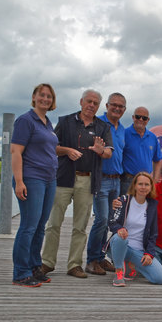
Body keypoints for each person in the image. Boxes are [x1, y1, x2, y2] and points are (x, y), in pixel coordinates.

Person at [41, 89, 113, 279]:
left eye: (95, 103)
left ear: (99, 106)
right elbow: (52, 147)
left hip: (88, 180)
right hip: (64, 178)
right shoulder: (65, 121)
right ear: (81, 102)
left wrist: (100, 151)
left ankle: (74, 265)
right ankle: (47, 263)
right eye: (88, 101)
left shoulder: (103, 127)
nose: (91, 105)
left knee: (80, 226)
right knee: (54, 223)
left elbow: (108, 153)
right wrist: (67, 150)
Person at [10, 83, 59, 287]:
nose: (45, 99)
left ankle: (34, 267)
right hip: (31, 178)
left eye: (49, 96)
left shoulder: (47, 122)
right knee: (28, 226)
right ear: (34, 97)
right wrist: (19, 181)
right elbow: (15, 152)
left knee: (40, 226)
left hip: (49, 180)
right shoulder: (25, 120)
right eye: (42, 95)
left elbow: (50, 149)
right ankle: (20, 273)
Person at [85, 92, 127, 276]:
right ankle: (92, 260)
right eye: (114, 105)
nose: (117, 108)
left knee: (110, 221)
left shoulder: (122, 129)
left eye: (121, 106)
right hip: (101, 178)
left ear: (124, 110)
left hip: (116, 180)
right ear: (107, 106)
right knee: (101, 219)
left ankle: (101, 257)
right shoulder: (98, 123)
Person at [107, 172, 162, 287]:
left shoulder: (153, 205)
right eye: (140, 184)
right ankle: (119, 272)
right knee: (121, 237)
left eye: (146, 184)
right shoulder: (124, 200)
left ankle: (130, 262)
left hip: (138, 251)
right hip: (120, 245)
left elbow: (153, 234)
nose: (143, 187)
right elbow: (112, 222)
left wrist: (149, 253)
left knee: (160, 278)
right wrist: (119, 229)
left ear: (151, 187)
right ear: (134, 185)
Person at [120, 106, 162, 195]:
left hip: (146, 182)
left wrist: (154, 181)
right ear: (133, 117)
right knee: (126, 207)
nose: (141, 120)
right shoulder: (124, 134)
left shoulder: (152, 137)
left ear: (148, 120)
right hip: (127, 181)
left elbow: (157, 161)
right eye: (138, 117)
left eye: (144, 118)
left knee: (145, 208)